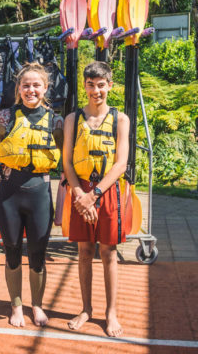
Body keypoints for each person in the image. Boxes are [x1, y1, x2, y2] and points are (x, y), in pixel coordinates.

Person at [0, 62, 63, 327]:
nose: (31, 90)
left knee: (38, 254)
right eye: (26, 85)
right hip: (10, 194)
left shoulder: (56, 120)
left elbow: (66, 161)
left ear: (45, 88)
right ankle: (16, 305)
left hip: (40, 193)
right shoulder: (5, 117)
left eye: (36, 85)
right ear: (18, 89)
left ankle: (37, 305)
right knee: (12, 251)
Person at [62, 61, 130, 337]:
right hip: (80, 191)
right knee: (84, 252)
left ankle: (110, 312)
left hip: (106, 191)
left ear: (109, 86)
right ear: (85, 85)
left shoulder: (120, 119)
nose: (95, 90)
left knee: (108, 252)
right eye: (90, 85)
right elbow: (67, 161)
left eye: (101, 85)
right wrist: (80, 194)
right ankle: (86, 308)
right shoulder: (72, 119)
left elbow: (121, 164)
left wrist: (95, 195)